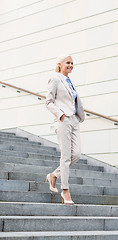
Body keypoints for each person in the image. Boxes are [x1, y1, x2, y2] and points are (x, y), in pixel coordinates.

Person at [45, 54, 85, 204]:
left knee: (77, 154)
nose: (70, 65)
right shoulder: (55, 79)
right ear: (60, 64)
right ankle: (65, 191)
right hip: (63, 120)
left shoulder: (70, 81)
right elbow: (48, 102)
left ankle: (54, 175)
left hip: (74, 119)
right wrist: (60, 115)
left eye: (72, 63)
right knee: (66, 156)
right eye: (68, 62)